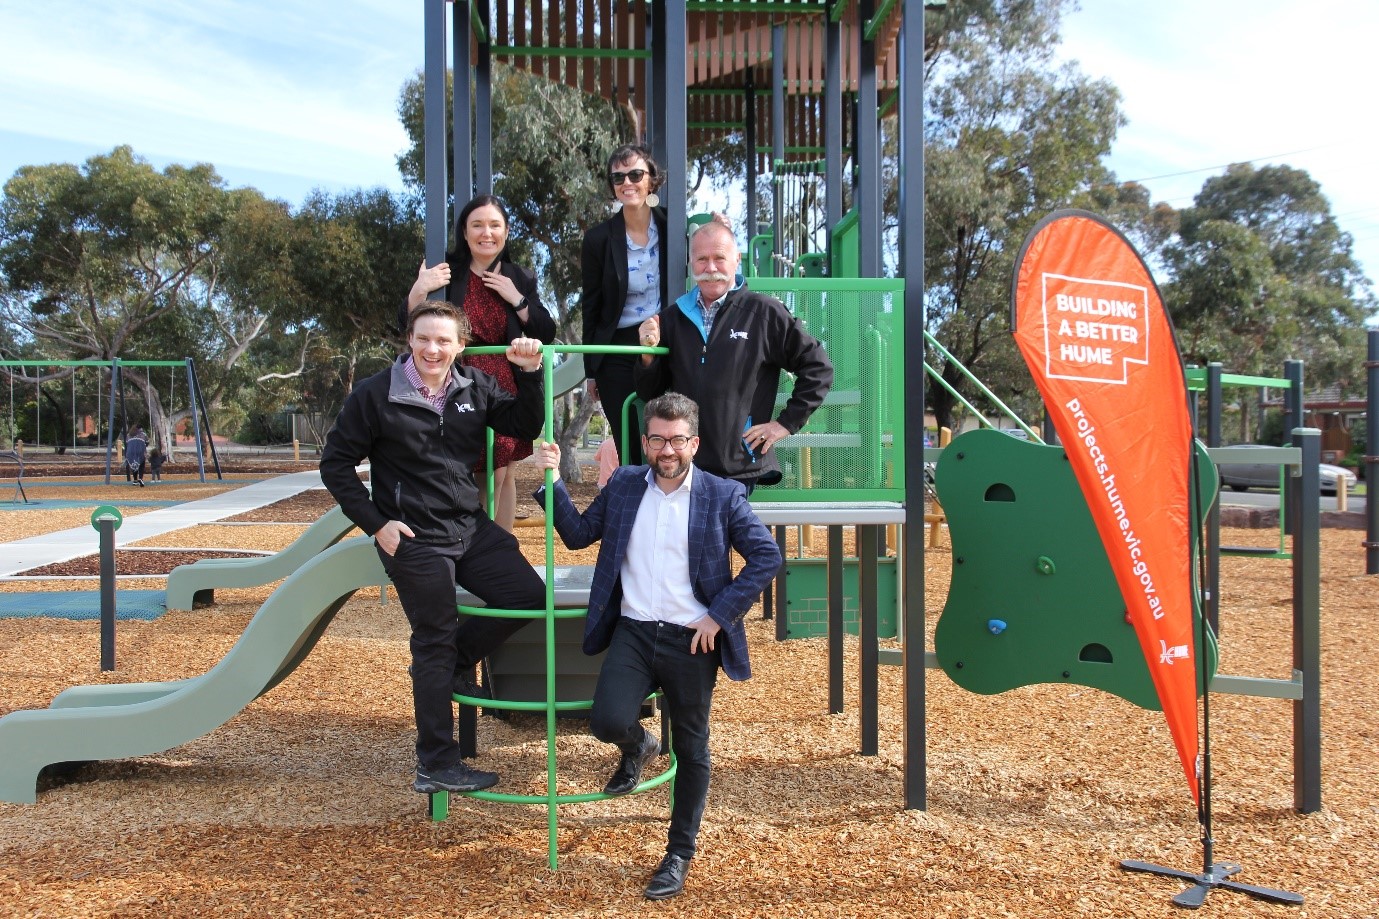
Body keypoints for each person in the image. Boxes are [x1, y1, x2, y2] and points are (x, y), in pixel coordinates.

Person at [533, 392, 782, 900]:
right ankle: (639, 745)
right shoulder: (626, 485)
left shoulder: (722, 494)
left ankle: (678, 854)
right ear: (645, 442)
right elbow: (579, 535)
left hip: (691, 640)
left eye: (677, 440)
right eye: (657, 439)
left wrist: (718, 615)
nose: (667, 449)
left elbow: (766, 557)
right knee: (605, 720)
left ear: (694, 441)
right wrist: (552, 479)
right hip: (634, 629)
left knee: (692, 747)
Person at [321, 302, 547, 795]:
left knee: (529, 595)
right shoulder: (377, 394)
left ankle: (457, 663)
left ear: (460, 346)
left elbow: (524, 425)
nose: (433, 349)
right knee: (434, 637)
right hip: (413, 535)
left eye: (444, 340)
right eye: (424, 338)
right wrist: (377, 524)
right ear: (410, 339)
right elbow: (335, 465)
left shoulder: (473, 386)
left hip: (468, 525)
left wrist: (530, 375)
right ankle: (436, 764)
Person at [633, 220, 833, 493]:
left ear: (736, 260)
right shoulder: (671, 319)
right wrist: (647, 355)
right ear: (691, 263)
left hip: (738, 466)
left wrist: (784, 424)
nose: (711, 268)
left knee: (719, 536)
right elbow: (649, 392)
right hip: (684, 464)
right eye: (702, 259)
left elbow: (819, 367)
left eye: (719, 258)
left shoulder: (764, 312)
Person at [403, 194, 556, 531]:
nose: (486, 233)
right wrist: (419, 288)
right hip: (461, 380)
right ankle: (474, 547)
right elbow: (412, 320)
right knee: (479, 470)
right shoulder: (447, 272)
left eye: (494, 225)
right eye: (477, 225)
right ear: (465, 231)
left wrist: (515, 297)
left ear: (506, 231)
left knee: (503, 470)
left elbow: (545, 329)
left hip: (507, 383)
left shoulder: (519, 276)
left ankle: (500, 549)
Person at [580, 144, 669, 466]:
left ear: (651, 180)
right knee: (629, 439)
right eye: (618, 177)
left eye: (635, 174)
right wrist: (592, 369)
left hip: (665, 341)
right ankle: (636, 510)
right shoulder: (599, 240)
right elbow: (591, 305)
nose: (627, 182)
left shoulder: (674, 228)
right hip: (617, 348)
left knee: (668, 432)